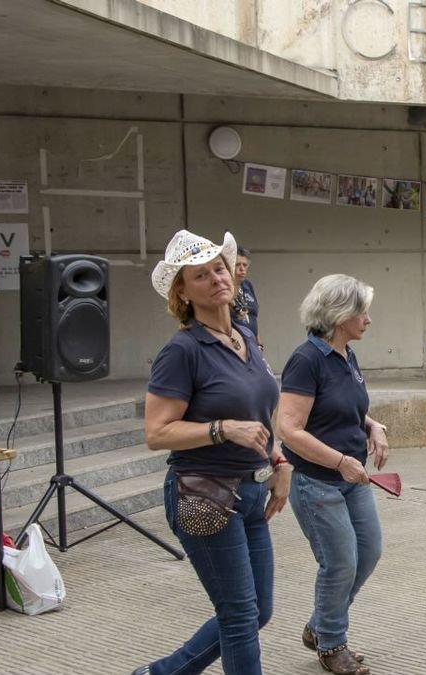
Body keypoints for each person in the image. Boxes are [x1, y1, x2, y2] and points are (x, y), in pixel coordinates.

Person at [137, 229, 287, 675]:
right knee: (240, 616)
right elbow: (157, 433)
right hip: (204, 493)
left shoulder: (244, 336)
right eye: (199, 275)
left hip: (252, 492)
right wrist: (221, 429)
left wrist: (280, 461)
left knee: (257, 610)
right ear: (181, 291)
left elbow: (264, 410)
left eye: (219, 268)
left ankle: (162, 674)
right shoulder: (182, 351)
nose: (216, 278)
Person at [279, 274, 389, 675]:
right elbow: (288, 429)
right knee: (340, 562)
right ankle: (331, 644)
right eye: (362, 310)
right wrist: (341, 461)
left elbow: (347, 405)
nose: (369, 319)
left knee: (369, 552)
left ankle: (319, 624)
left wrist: (371, 426)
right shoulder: (306, 360)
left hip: (350, 478)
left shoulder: (345, 354)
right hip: (316, 481)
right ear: (341, 315)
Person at [231, 246, 260, 345]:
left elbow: (254, 316)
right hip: (235, 344)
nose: (242, 269)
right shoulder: (224, 288)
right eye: (237, 265)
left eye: (244, 265)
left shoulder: (248, 285)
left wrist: (259, 344)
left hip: (252, 343)